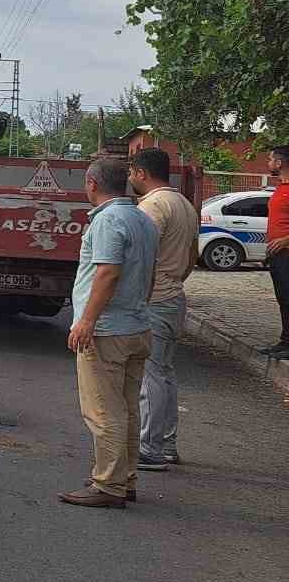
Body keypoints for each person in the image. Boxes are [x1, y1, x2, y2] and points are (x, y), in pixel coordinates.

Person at [60, 156, 158, 510]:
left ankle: (108, 484)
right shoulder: (142, 219)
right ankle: (124, 477)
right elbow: (147, 273)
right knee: (127, 409)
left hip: (108, 331)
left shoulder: (107, 221)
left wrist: (86, 320)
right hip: (136, 325)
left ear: (92, 183)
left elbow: (107, 273)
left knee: (104, 411)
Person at [128, 147, 198, 470]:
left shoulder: (153, 206)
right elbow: (192, 258)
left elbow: (141, 253)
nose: (130, 178)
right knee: (165, 374)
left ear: (142, 173)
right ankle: (166, 444)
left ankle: (150, 448)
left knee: (150, 377)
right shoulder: (185, 204)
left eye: (132, 172)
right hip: (174, 297)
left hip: (154, 299)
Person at [265, 145, 289, 361]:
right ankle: (285, 340)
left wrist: (285, 240)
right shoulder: (281, 187)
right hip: (277, 254)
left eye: (271, 159)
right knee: (283, 297)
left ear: (280, 163)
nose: (268, 163)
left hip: (286, 253)